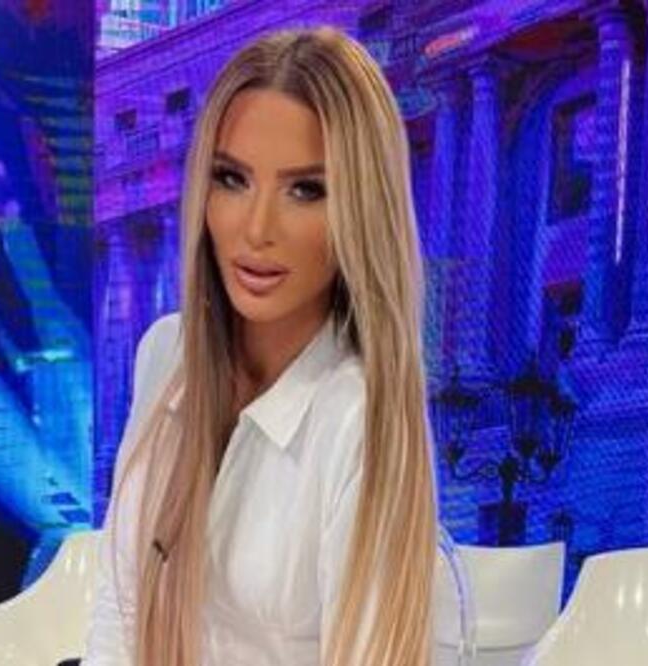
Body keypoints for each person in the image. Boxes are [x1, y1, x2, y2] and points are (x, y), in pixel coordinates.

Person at [85, 25, 437, 666]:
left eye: (306, 189)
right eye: (232, 178)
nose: (256, 229)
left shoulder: (356, 416)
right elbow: (120, 610)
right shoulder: (166, 355)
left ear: (361, 210)